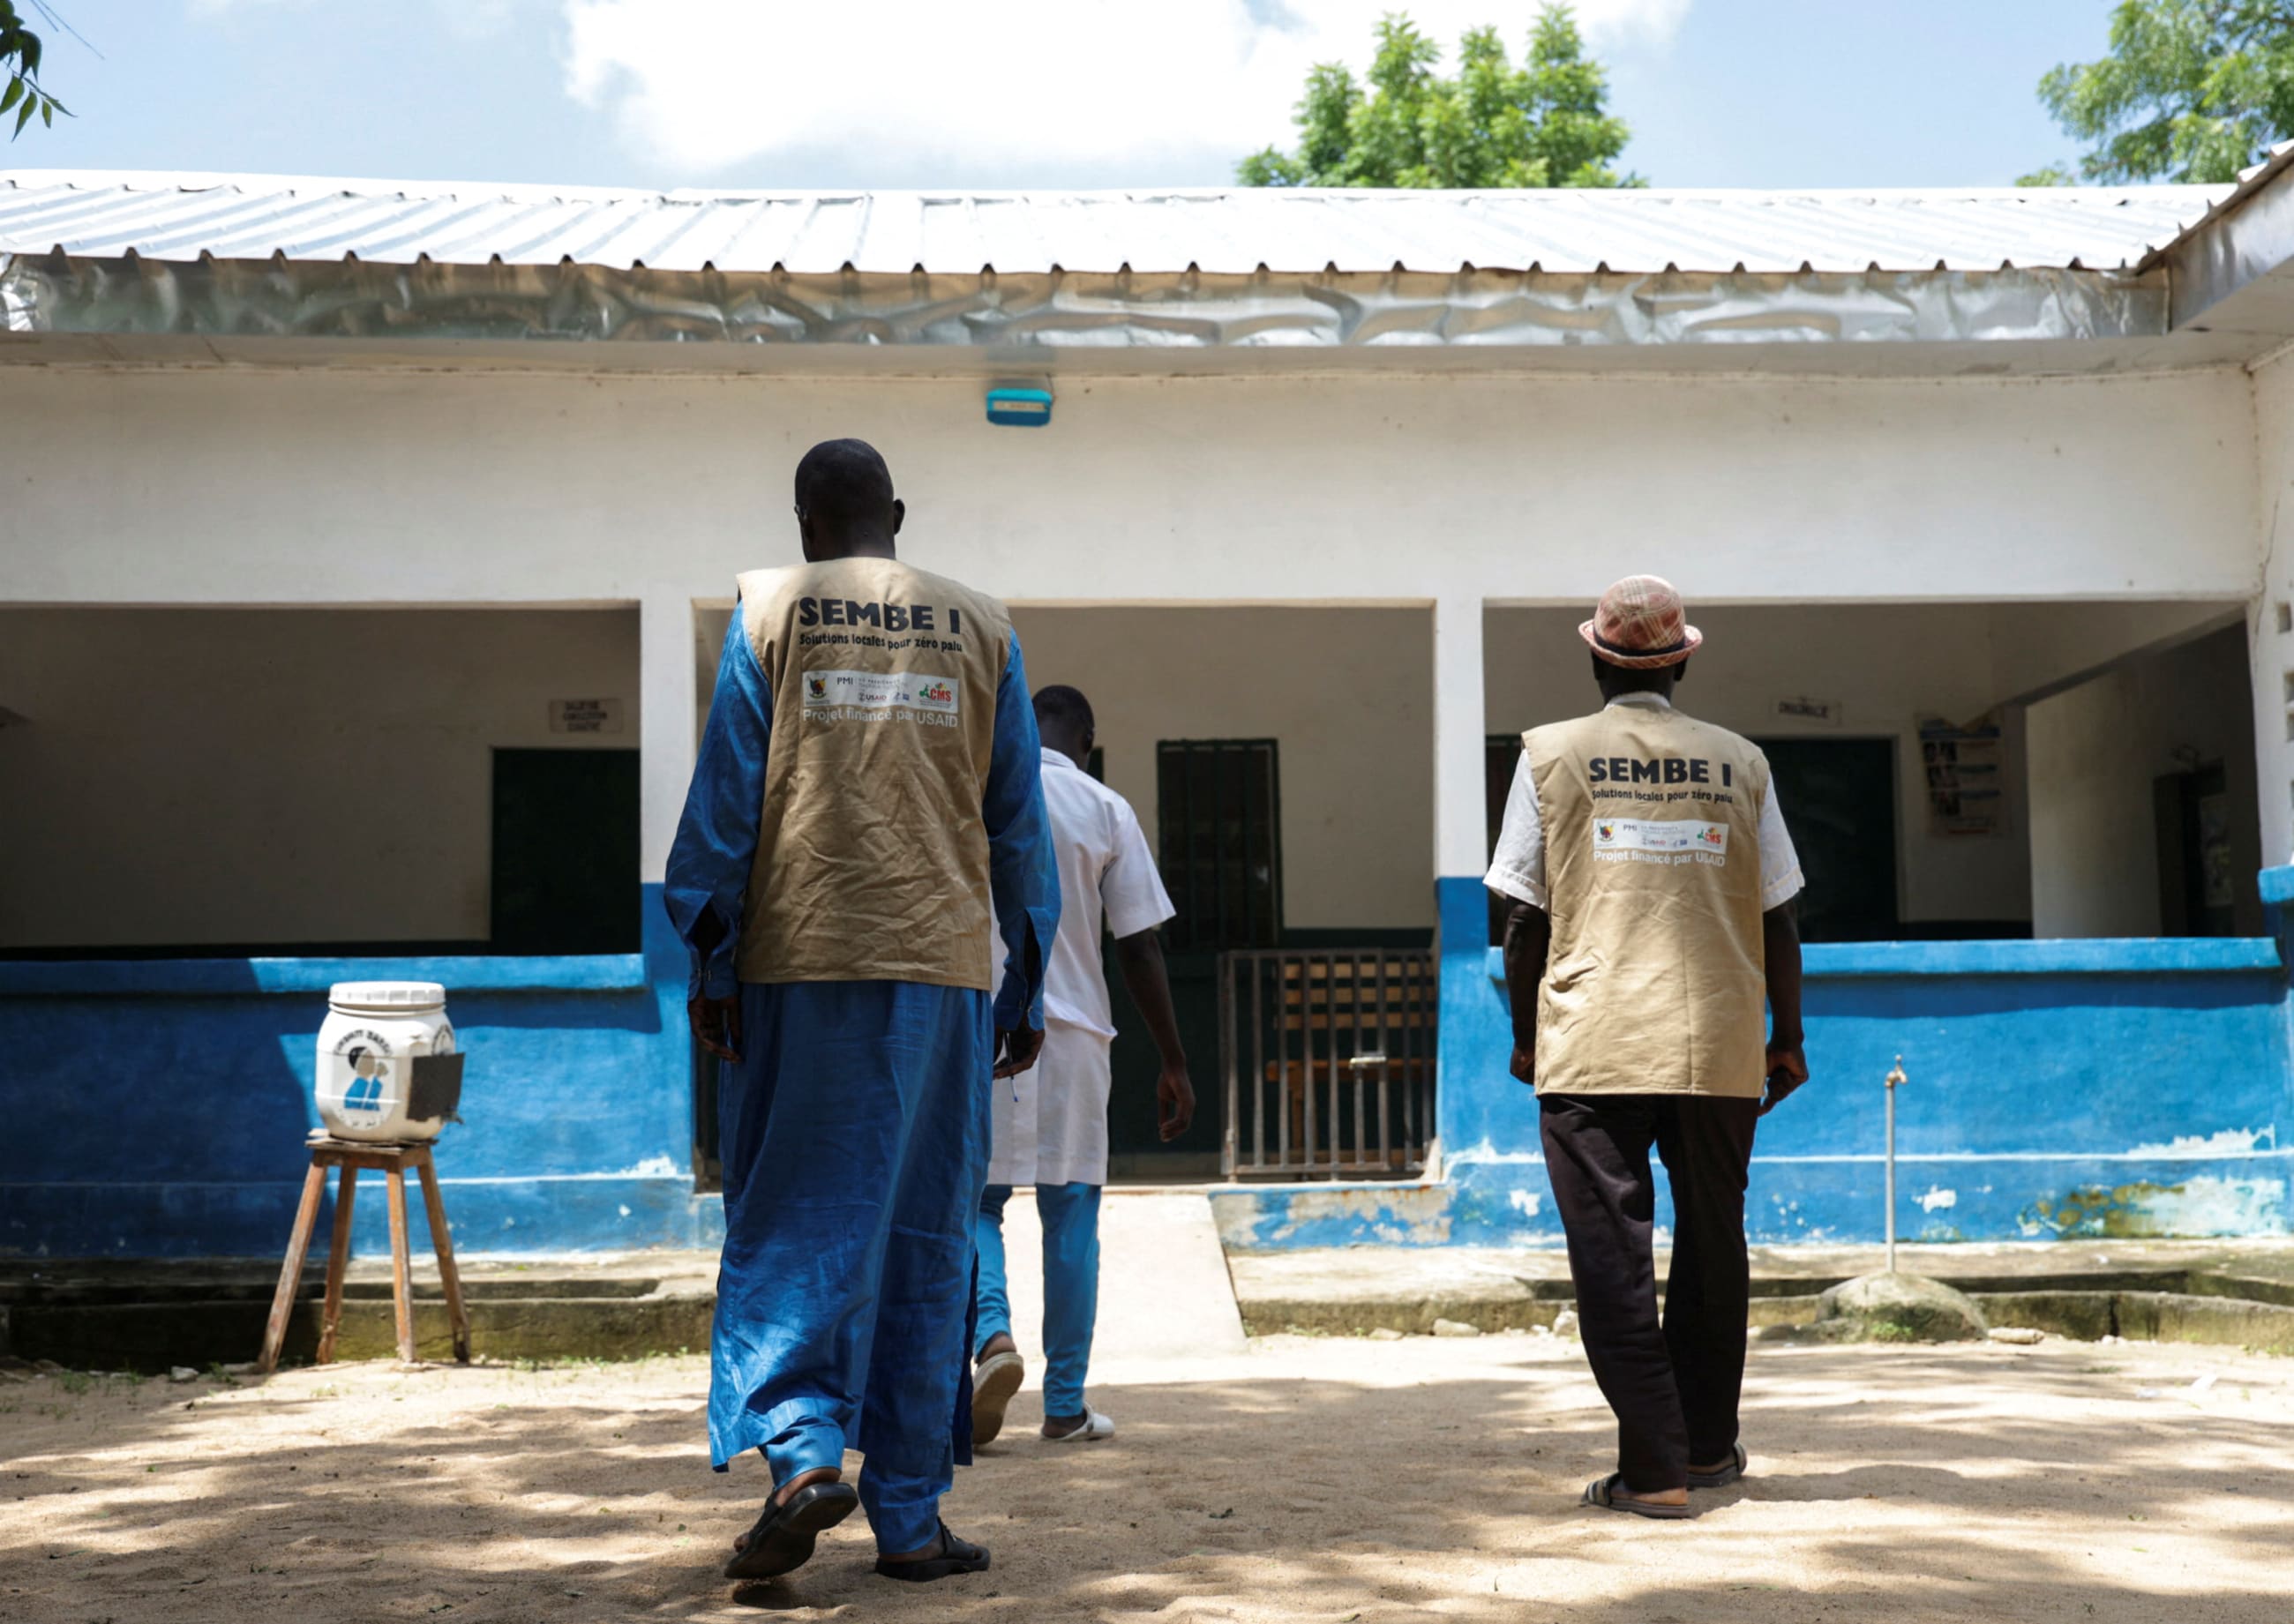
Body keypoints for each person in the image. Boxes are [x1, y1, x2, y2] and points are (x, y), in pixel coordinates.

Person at [665, 438, 1059, 1583]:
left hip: (803, 954)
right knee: (929, 1229)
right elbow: (1017, 818)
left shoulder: (769, 607)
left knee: (794, 1217)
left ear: (804, 524)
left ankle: (799, 1457)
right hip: (943, 973)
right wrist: (1023, 976)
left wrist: (713, 965)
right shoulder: (985, 622)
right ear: (898, 510)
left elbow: (729, 798)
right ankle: (911, 1514)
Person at [1485, 574, 1809, 1521]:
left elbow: (1521, 915)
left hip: (1591, 1040)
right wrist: (1784, 1037)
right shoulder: (1739, 761)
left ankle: (1655, 1468)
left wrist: (1524, 1036)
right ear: (1680, 659)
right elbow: (1779, 913)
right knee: (1714, 1246)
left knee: (1611, 1256)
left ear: (1593, 656)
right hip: (1716, 1039)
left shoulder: (1548, 755)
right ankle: (1705, 1447)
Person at [968, 685, 1196, 1447]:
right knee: (1071, 1216)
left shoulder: (975, 794)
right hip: (1073, 1037)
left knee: (975, 1204)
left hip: (983, 1029)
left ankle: (991, 1338)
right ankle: (1064, 1406)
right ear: (1087, 741)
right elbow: (1137, 943)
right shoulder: (1105, 807)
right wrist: (1172, 1059)